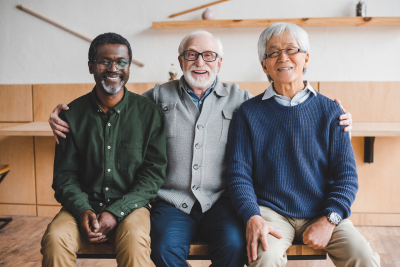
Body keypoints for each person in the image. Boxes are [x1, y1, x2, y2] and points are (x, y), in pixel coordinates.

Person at [48, 30, 353, 267]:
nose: (199, 62)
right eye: (191, 55)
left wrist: (338, 115)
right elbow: (118, 105)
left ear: (219, 63)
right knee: (164, 249)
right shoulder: (154, 98)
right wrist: (62, 115)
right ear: (180, 61)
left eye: (209, 56)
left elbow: (280, 111)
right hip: (172, 201)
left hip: (221, 201)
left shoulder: (243, 101)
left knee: (235, 247)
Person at [227, 22, 380, 267]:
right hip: (270, 211)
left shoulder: (331, 111)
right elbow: (238, 174)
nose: (282, 57)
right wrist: (251, 215)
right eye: (273, 52)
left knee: (363, 256)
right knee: (263, 258)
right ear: (263, 64)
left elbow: (347, 176)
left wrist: (330, 220)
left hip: (323, 211)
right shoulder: (247, 113)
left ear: (306, 58)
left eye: (291, 50)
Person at [40, 32, 167, 267]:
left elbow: (153, 176)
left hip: (131, 207)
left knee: (135, 241)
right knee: (55, 239)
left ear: (129, 66)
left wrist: (116, 211)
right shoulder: (71, 115)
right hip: (82, 205)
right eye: (104, 61)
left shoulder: (149, 114)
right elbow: (64, 177)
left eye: (121, 62)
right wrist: (81, 210)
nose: (113, 68)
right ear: (91, 66)